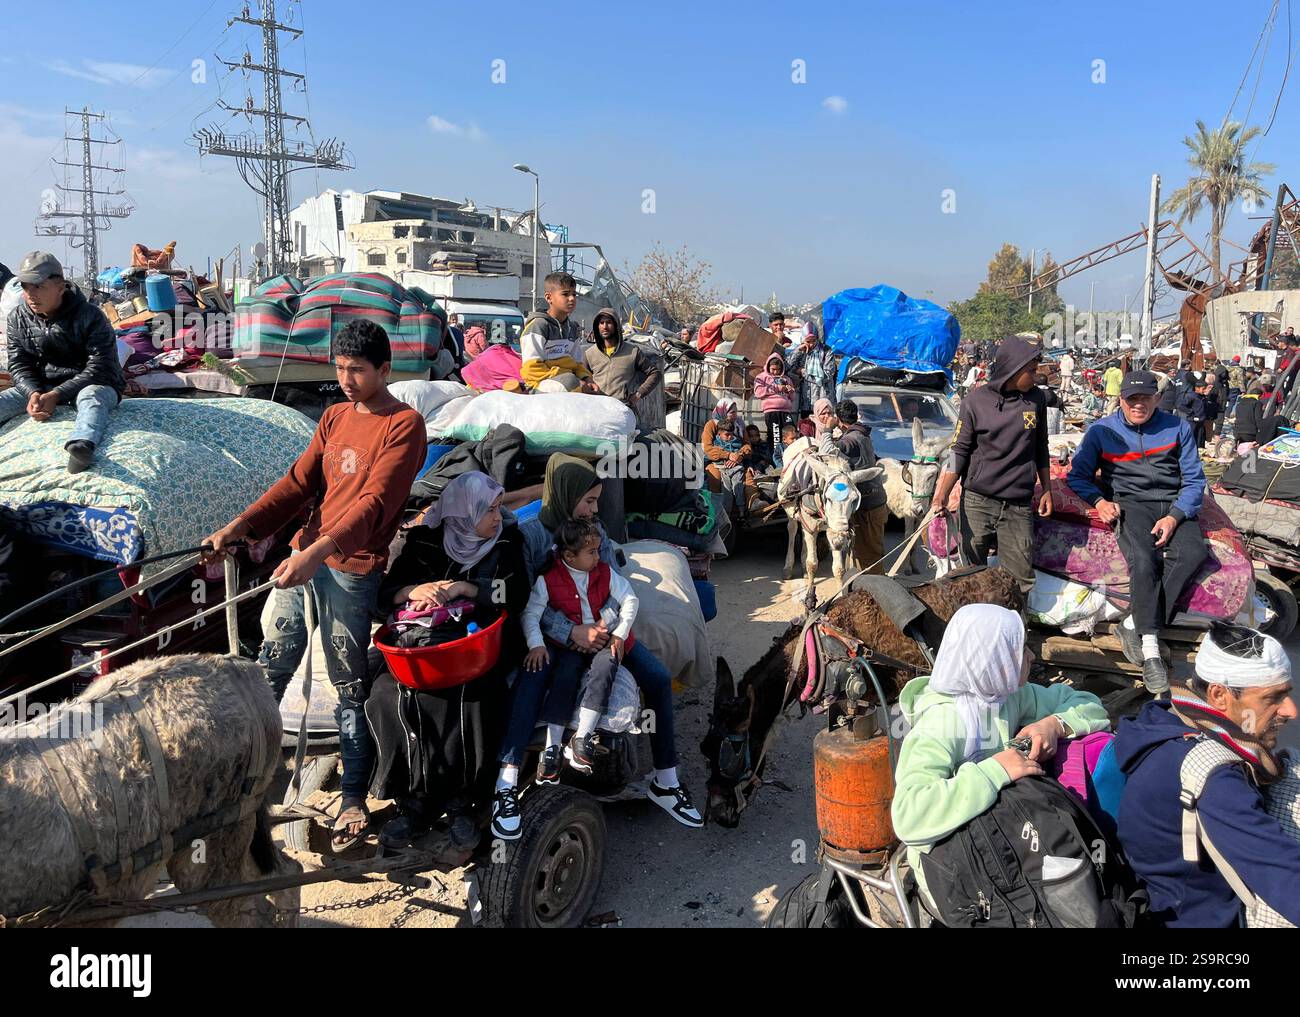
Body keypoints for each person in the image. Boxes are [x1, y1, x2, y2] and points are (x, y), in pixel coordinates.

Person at [203, 319, 426, 849]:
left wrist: (319, 552)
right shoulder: (333, 416)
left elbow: (376, 504)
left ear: (384, 370)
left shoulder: (404, 425)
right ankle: (241, 781)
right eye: (340, 369)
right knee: (268, 669)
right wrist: (243, 525)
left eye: (357, 370)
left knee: (349, 686)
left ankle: (352, 797)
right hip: (305, 557)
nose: (347, 379)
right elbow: (300, 482)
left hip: (352, 570)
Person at [494, 453, 703, 833]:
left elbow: (614, 585)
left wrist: (601, 628)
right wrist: (569, 633)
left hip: (603, 633)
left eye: (596, 501)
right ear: (565, 493)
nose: (594, 508)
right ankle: (505, 785)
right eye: (588, 500)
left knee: (656, 678)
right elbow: (527, 601)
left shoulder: (598, 532)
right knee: (531, 684)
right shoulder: (531, 537)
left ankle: (666, 781)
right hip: (557, 639)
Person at [891, 605, 1111, 911]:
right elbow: (909, 816)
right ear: (991, 659)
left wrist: (1054, 725)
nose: (1033, 656)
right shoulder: (942, 724)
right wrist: (995, 771)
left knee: (1082, 880)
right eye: (1020, 649)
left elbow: (1091, 706)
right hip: (952, 867)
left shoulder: (1005, 696)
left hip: (1003, 834)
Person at [366, 472, 531, 846]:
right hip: (422, 647)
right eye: (488, 510)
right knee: (387, 695)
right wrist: (413, 590)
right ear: (461, 513)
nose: (497, 516)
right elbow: (383, 596)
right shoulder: (425, 542)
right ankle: (414, 801)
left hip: (482, 647)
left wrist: (467, 588)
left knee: (470, 697)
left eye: (497, 507)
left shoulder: (506, 540)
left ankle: (463, 801)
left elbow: (516, 593)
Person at [1114, 622, 1300, 927]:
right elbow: (1283, 875)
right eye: (1273, 698)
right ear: (1219, 695)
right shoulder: (1213, 775)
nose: (1291, 710)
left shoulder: (1171, 717)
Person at [1066, 371, 1206, 694]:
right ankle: (1152, 649)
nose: (1138, 405)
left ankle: (1131, 622)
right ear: (1121, 400)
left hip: (1173, 502)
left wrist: (1173, 518)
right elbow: (1078, 476)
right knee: (1144, 561)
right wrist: (1100, 501)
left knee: (1192, 553)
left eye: (1145, 398)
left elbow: (1195, 481)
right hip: (1132, 503)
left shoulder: (1178, 427)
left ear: (1156, 399)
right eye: (1132, 399)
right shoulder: (1101, 431)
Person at [930, 335, 1053, 595]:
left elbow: (1041, 446)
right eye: (1030, 371)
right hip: (978, 502)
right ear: (1013, 369)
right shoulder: (975, 402)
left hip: (1018, 505)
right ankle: (973, 629)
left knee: (1019, 579)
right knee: (969, 574)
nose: (1035, 376)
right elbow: (958, 450)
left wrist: (1047, 489)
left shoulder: (1035, 400)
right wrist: (941, 494)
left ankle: (1015, 631)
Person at [518, 518, 638, 784]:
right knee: (564, 676)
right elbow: (531, 614)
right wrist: (536, 644)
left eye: (597, 550)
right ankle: (551, 748)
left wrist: (620, 633)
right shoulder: (547, 580)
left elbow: (630, 598)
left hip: (603, 641)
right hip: (570, 647)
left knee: (606, 667)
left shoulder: (605, 573)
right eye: (592, 552)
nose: (598, 557)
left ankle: (582, 735)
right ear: (569, 555)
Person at [1, 251, 124, 473]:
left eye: (38, 286)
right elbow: (19, 364)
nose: (30, 294)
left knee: (92, 398)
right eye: (26, 287)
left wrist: (57, 394)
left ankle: (81, 446)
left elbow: (101, 366)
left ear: (60, 287)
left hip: (92, 384)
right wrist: (33, 393)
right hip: (43, 386)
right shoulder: (17, 318)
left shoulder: (90, 316)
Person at [832, 399, 889, 575]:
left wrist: (826, 430)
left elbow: (828, 450)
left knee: (868, 556)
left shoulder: (850, 439)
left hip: (867, 508)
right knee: (871, 551)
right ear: (856, 415)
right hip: (876, 503)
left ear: (839, 420)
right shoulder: (863, 434)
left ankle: (875, 592)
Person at [518, 271, 596, 393]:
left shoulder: (572, 329)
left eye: (574, 294)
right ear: (549, 298)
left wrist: (587, 378)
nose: (571, 299)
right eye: (565, 294)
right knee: (570, 382)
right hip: (539, 384)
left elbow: (577, 364)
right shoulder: (538, 326)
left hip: (568, 381)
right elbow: (531, 369)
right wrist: (566, 376)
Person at [582, 306, 662, 411]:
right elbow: (582, 377)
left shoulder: (632, 351)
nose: (605, 327)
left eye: (609, 322)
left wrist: (638, 394)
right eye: (601, 323)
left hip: (620, 409)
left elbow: (655, 373)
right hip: (596, 409)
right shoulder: (590, 353)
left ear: (616, 325)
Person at [753, 351, 797, 468]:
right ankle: (777, 464)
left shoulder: (786, 378)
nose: (775, 372)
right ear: (768, 367)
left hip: (786, 412)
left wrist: (790, 391)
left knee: (791, 434)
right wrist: (778, 388)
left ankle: (791, 461)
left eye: (778, 369)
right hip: (772, 411)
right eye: (773, 369)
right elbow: (758, 392)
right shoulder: (762, 377)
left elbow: (792, 398)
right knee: (775, 437)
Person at [787, 321, 837, 418]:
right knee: (807, 430)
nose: (811, 344)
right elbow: (787, 367)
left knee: (824, 430)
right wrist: (797, 351)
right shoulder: (801, 352)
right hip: (806, 401)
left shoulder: (826, 351)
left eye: (813, 341)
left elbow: (827, 375)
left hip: (824, 399)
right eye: (808, 341)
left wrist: (803, 372)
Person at [1175, 376, 1208, 448]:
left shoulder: (1203, 397)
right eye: (1203, 389)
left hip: (1201, 421)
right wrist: (1191, 412)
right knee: (1192, 439)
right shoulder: (1191, 396)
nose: (1205, 390)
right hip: (1192, 421)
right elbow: (1181, 406)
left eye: (1206, 388)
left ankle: (1199, 453)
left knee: (1200, 440)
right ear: (1197, 388)